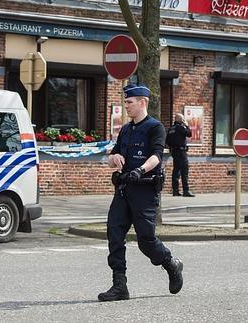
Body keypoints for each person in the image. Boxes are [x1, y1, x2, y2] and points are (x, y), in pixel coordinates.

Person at [98, 84, 183, 302]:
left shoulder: (155, 127)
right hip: (124, 189)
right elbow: (112, 156)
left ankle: (170, 263)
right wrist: (113, 159)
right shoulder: (126, 129)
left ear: (142, 102)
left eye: (129, 102)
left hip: (145, 190)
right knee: (114, 234)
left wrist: (140, 169)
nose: (126, 105)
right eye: (125, 102)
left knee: (146, 240)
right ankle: (120, 286)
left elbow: (157, 156)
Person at [166, 113, 194, 197]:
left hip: (174, 152)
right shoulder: (180, 127)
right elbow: (189, 134)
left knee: (176, 171)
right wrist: (187, 125)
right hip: (181, 152)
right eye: (182, 119)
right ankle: (186, 191)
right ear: (180, 119)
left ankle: (175, 191)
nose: (183, 120)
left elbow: (167, 141)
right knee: (184, 171)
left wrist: (173, 147)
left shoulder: (171, 129)